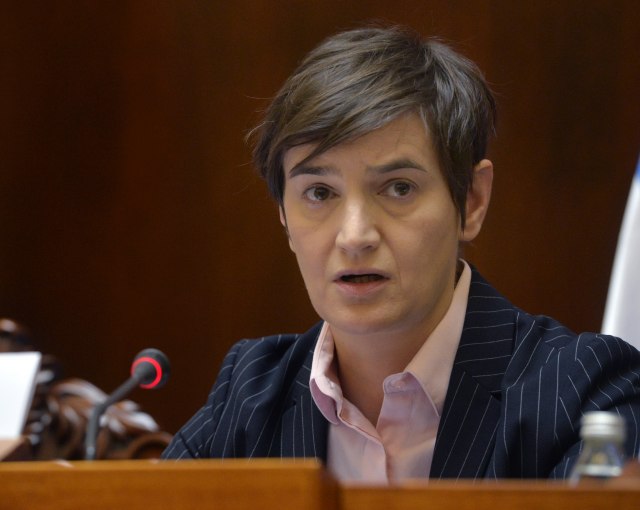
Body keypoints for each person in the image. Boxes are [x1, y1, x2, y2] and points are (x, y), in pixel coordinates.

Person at [162, 25, 640, 482]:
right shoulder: (250, 392)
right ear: (283, 215)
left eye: (398, 188)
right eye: (320, 193)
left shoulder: (584, 391)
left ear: (472, 200)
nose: (354, 236)